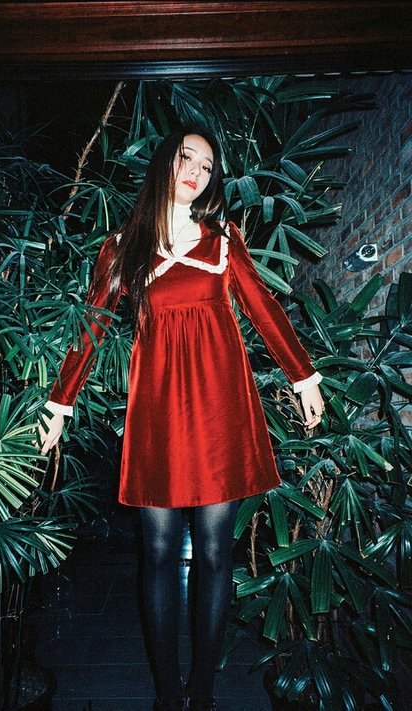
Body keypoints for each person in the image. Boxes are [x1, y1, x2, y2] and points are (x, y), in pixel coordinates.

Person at [39, 128, 324, 711]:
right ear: (163, 164)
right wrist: (60, 402)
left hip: (221, 409)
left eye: (207, 165)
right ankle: (169, 693)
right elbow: (92, 326)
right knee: (159, 552)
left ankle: (203, 691)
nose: (196, 170)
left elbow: (263, 308)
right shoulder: (123, 247)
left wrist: (304, 376)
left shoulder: (223, 240)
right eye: (186, 157)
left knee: (216, 553)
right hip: (159, 412)